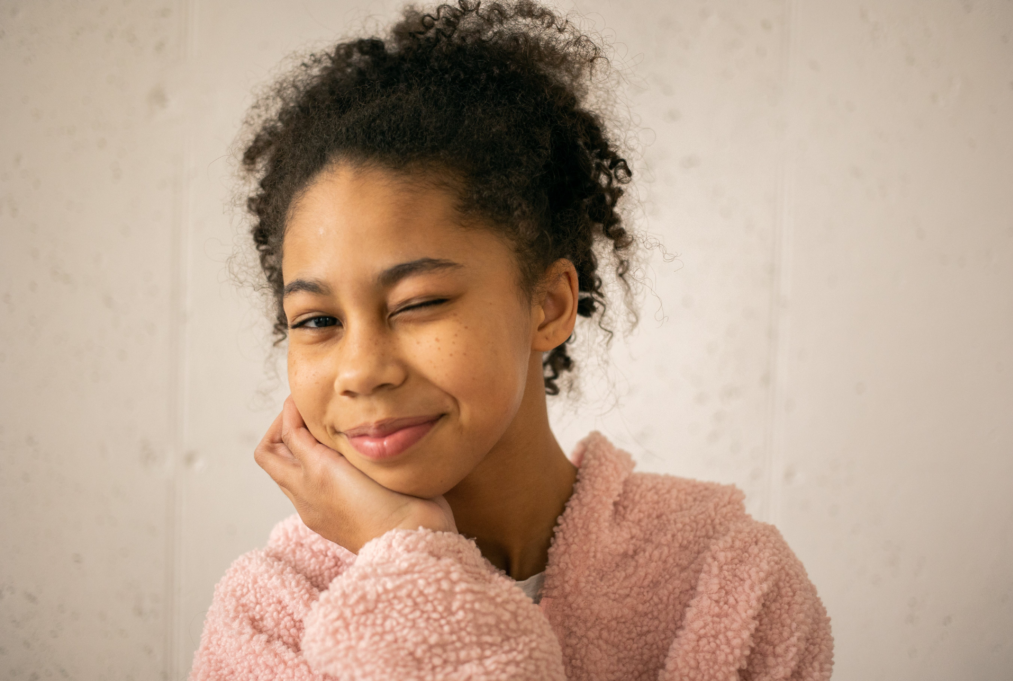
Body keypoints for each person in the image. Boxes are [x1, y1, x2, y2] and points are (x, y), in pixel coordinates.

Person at [188, 1, 834, 678]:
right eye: (317, 321)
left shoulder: (730, 584)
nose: (361, 370)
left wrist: (408, 554)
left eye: (419, 303)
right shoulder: (271, 616)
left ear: (550, 304)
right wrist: (409, 552)